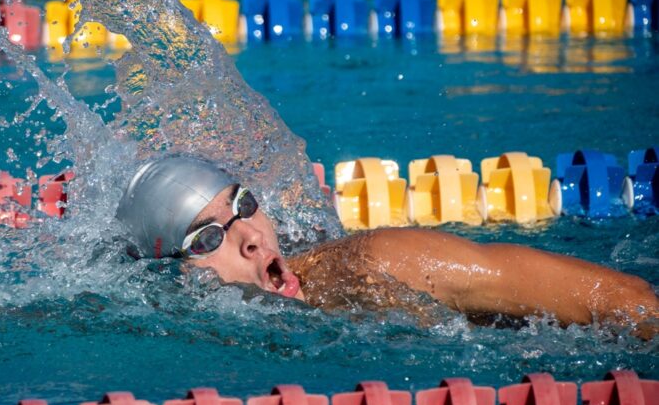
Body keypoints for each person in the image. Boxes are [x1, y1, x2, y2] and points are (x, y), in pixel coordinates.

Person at [116, 155, 659, 330]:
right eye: (210, 236)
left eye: (246, 207)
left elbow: (622, 299)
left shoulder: (379, 263)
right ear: (173, 272)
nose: (252, 239)